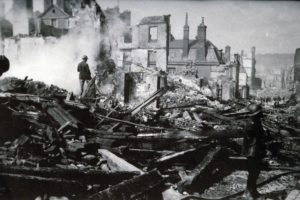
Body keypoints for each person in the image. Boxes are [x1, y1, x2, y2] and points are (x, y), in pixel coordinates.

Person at [243, 103, 266, 199]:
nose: (261, 115)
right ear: (255, 114)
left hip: (256, 149)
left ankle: (253, 190)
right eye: (259, 113)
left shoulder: (256, 122)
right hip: (252, 151)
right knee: (253, 172)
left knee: (256, 172)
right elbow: (257, 136)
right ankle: (247, 192)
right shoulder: (251, 124)